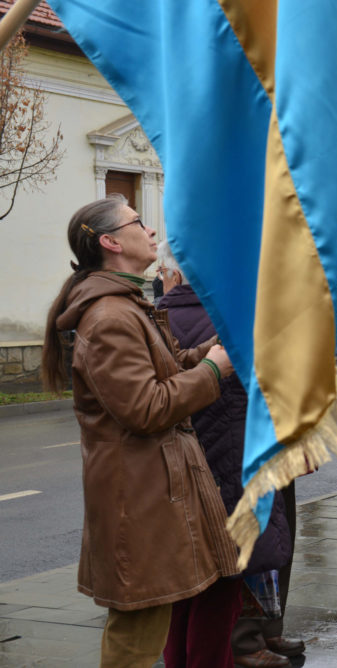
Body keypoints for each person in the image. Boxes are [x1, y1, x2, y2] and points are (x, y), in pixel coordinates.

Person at [40, 196, 239, 667]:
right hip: (139, 500)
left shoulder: (127, 305)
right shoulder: (110, 317)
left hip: (151, 493)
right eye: (139, 222)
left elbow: (169, 369)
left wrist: (218, 348)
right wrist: (213, 371)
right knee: (136, 639)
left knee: (147, 628)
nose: (151, 231)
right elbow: (146, 407)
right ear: (111, 242)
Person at [156, 244, 299, 668]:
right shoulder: (230, 318)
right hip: (236, 451)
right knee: (232, 567)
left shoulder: (158, 318)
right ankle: (246, 642)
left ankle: (250, 638)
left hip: (196, 455)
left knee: (202, 576)